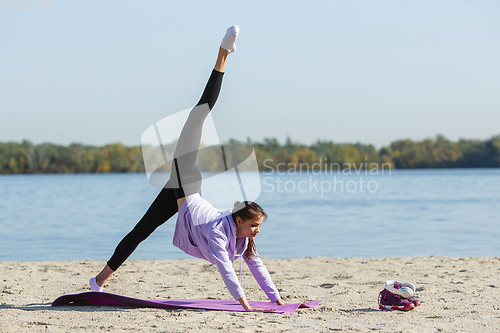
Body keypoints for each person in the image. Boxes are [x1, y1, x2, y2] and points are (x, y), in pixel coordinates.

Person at [89, 26, 285, 312]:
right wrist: (245, 305)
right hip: (185, 175)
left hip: (187, 192)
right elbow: (227, 273)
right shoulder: (222, 234)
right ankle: (223, 55)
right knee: (199, 113)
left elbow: (257, 267)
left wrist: (276, 299)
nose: (257, 230)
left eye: (258, 226)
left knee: (142, 230)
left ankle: (98, 281)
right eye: (254, 225)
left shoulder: (242, 240)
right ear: (239, 220)